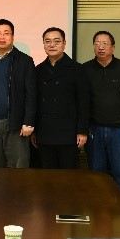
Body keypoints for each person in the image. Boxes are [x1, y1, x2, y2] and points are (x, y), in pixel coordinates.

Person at [83, 30, 120, 199]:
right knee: (96, 174)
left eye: (105, 44)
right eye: (97, 44)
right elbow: (82, 102)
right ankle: (99, 208)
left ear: (113, 47)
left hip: (119, 130)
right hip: (94, 130)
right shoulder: (85, 69)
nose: (100, 47)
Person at [0, 19, 36, 168]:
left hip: (17, 124)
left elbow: (31, 94)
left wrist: (29, 121)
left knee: (18, 166)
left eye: (6, 33)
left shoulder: (25, 61)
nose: (2, 37)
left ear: (12, 37)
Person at [32, 27, 89, 169]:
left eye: (57, 41)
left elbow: (84, 103)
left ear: (64, 43)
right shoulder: (38, 70)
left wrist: (82, 131)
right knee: (47, 175)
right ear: (43, 44)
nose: (52, 45)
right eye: (48, 41)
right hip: (44, 133)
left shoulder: (77, 69)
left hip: (68, 134)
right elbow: (34, 103)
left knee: (68, 176)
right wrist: (34, 131)